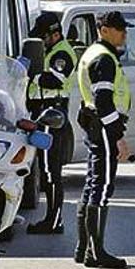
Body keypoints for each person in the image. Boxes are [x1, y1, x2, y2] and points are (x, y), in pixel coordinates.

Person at [74, 11, 132, 269]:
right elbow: (104, 102)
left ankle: (83, 248)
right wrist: (118, 136)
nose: (124, 33)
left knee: (92, 185)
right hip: (105, 128)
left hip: (95, 125)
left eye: (124, 29)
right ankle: (95, 254)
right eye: (119, 29)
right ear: (104, 29)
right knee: (102, 187)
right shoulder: (104, 59)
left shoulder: (93, 53)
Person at [26, 12, 77, 235]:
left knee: (50, 171)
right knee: (44, 170)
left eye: (43, 37)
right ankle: (52, 219)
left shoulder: (63, 53)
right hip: (40, 113)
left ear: (54, 34)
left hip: (52, 116)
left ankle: (54, 221)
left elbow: (55, 80)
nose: (40, 41)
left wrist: (30, 73)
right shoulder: (48, 52)